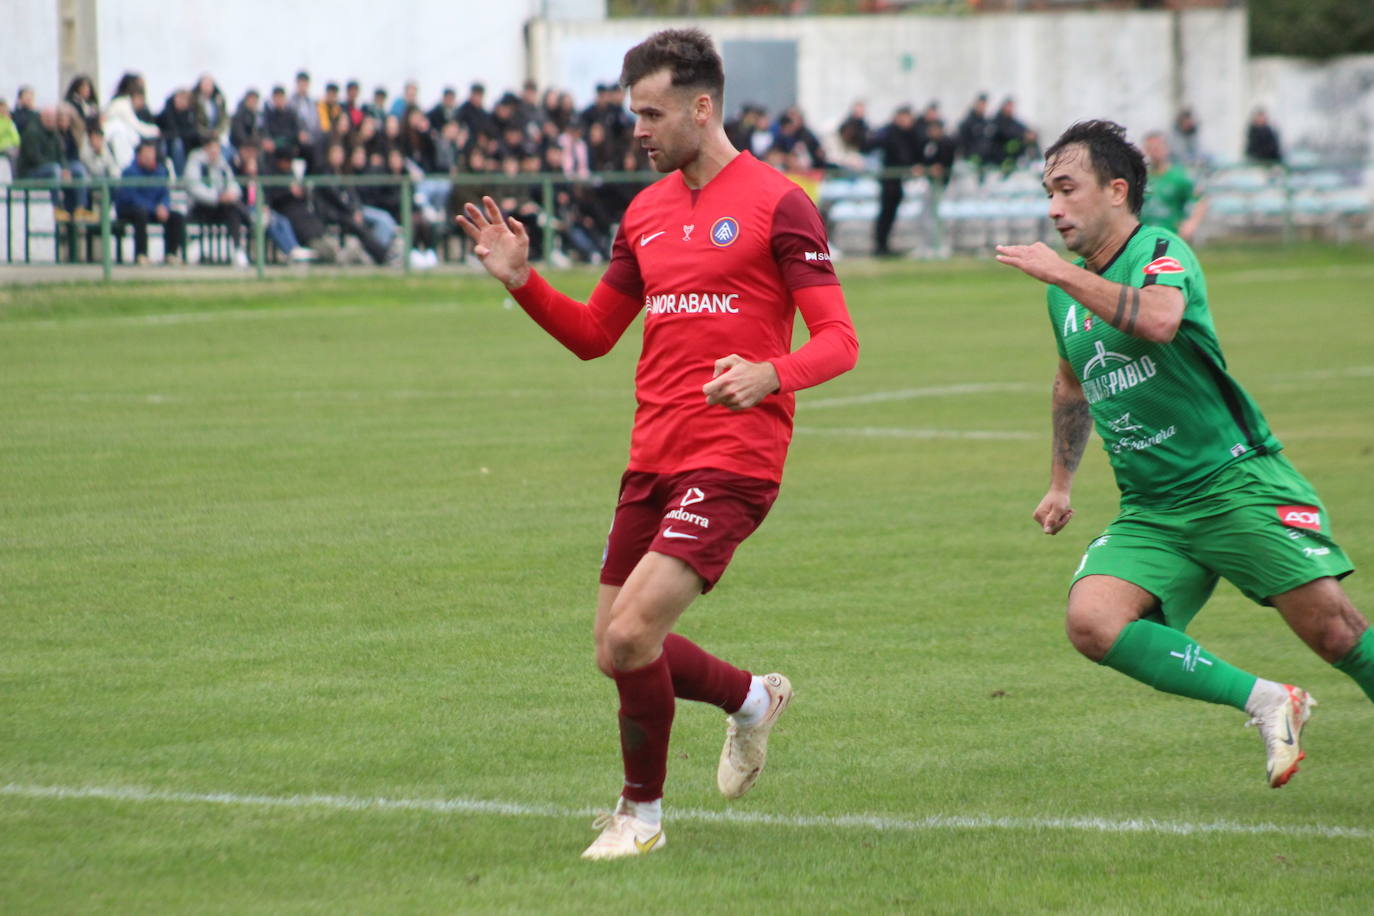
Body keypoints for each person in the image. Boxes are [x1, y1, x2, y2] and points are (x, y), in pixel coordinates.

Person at [457, 28, 858, 860]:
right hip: (652, 456)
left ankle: (640, 818)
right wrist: (524, 281)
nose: (636, 129)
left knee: (634, 635)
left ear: (702, 107)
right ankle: (752, 700)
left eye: (651, 113)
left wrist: (769, 375)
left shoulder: (780, 202)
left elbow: (839, 340)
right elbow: (597, 334)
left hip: (735, 457)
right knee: (616, 649)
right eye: (631, 112)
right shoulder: (644, 212)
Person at [994, 119, 1373, 790]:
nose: (1052, 209)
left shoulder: (1162, 250)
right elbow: (1070, 384)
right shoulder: (1065, 292)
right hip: (1153, 509)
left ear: (1116, 191)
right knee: (1093, 621)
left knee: (1336, 634)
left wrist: (1061, 274)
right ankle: (1266, 701)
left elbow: (1161, 320)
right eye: (1046, 192)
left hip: (1233, 483)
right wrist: (1061, 483)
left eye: (1065, 189)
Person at [115, 140, 185, 265]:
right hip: (130, 209)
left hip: (153, 209)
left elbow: (165, 193)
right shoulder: (129, 172)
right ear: (139, 155)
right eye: (146, 153)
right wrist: (154, 208)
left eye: (151, 153)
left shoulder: (161, 171)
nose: (149, 157)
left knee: (176, 216)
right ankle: (141, 254)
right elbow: (131, 197)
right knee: (140, 214)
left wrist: (164, 206)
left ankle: (171, 254)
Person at [184, 133, 249, 266]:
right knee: (233, 207)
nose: (215, 151)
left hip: (222, 206)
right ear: (205, 148)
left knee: (232, 209)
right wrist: (218, 197)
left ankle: (237, 249)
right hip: (200, 208)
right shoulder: (195, 162)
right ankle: (250, 220)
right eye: (212, 148)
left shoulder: (222, 163)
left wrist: (230, 194)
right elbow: (194, 189)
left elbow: (233, 184)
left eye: (217, 148)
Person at [1140, 131, 1207, 243]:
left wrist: (1191, 224)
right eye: (1150, 148)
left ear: (1166, 149)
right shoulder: (1141, 178)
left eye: (1157, 147)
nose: (1154, 151)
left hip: (1171, 236)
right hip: (1145, 236)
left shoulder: (1179, 177)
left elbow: (1200, 200)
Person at [872, 105, 921, 256]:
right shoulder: (889, 132)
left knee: (891, 213)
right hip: (889, 179)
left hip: (898, 180)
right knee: (886, 212)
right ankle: (880, 245)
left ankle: (885, 245)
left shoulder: (910, 134)